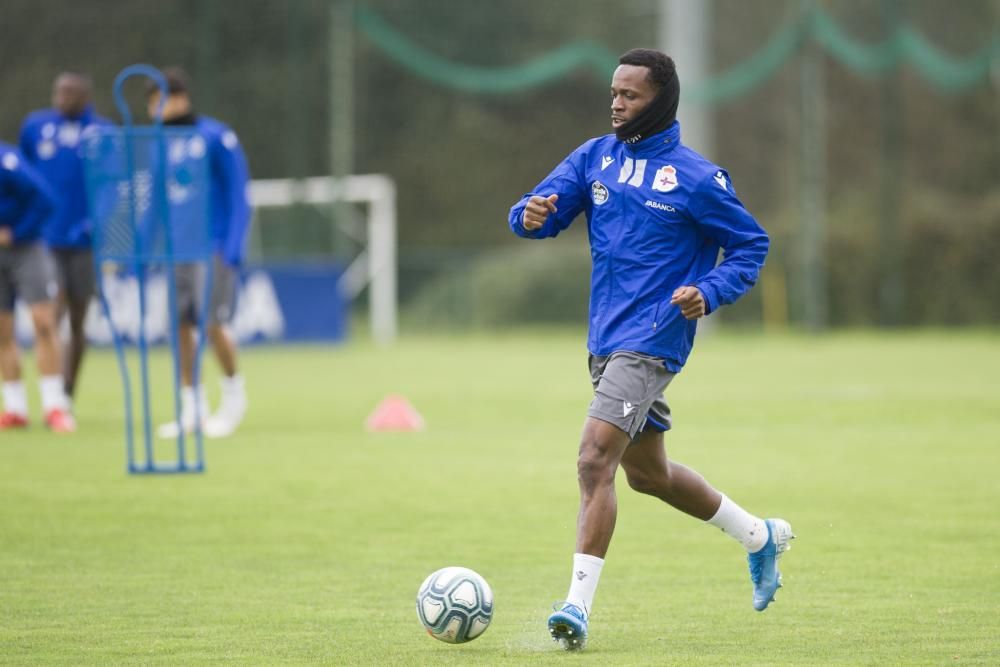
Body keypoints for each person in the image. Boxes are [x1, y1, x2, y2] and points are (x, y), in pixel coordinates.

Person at [508, 48, 792, 650]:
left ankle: (575, 609)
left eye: (630, 95)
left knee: (593, 459)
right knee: (648, 476)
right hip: (605, 340)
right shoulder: (594, 158)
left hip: (654, 339)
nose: (616, 103)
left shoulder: (696, 178)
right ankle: (759, 537)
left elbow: (750, 245)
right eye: (613, 92)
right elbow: (539, 210)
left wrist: (708, 291)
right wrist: (528, 216)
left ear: (660, 100)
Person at [147, 68, 252, 440]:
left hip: (213, 248)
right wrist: (145, 249)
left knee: (213, 324)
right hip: (178, 249)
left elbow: (239, 195)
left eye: (159, 100)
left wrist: (233, 247)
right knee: (181, 327)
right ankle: (191, 408)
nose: (153, 109)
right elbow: (156, 201)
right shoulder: (158, 143)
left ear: (180, 99)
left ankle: (233, 396)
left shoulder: (215, 135)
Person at [19, 72, 112, 407]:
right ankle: (52, 390)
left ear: (85, 96)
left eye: (69, 93)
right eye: (58, 92)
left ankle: (68, 390)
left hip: (86, 243)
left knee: (77, 317)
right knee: (49, 313)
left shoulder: (103, 133)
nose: (61, 98)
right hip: (45, 239)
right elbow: (24, 181)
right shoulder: (35, 127)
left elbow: (114, 187)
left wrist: (97, 223)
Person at [0, 141, 75, 432]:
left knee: (44, 322)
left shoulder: (6, 161)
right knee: (3, 331)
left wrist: (17, 232)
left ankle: (54, 405)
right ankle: (15, 408)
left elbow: (46, 199)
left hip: (27, 248)